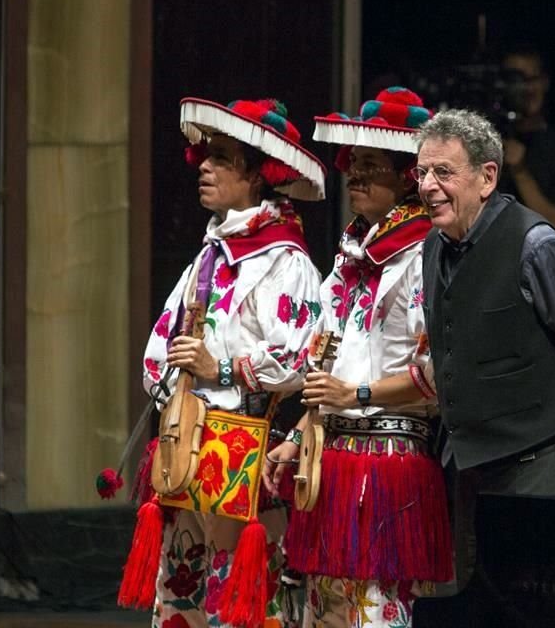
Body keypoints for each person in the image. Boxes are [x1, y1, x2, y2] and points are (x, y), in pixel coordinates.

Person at [122, 96, 327, 628]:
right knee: (183, 591)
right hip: (187, 443)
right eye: (205, 157)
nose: (205, 168)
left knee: (240, 598)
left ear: (259, 176)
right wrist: (173, 380)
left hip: (248, 450)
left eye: (222, 158)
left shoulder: (287, 260)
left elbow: (302, 356)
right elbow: (160, 344)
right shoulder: (210, 255)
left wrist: (224, 368)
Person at [415, 109, 555, 601]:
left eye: (443, 172)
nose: (427, 185)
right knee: (478, 609)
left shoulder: (536, 246)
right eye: (422, 172)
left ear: (487, 177)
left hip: (542, 463)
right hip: (471, 468)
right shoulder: (432, 247)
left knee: (539, 610)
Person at [263, 87, 452, 628]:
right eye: (353, 165)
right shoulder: (350, 260)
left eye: (372, 166)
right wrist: (300, 434)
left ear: (407, 177)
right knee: (326, 610)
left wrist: (358, 395)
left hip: (390, 456)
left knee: (375, 609)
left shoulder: (423, 257)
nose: (355, 176)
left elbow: (439, 373)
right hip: (334, 454)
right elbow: (329, 366)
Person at [498, 45, 555, 237]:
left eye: (532, 80)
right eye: (516, 81)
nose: (526, 89)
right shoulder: (483, 142)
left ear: (545, 82)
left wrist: (520, 172)